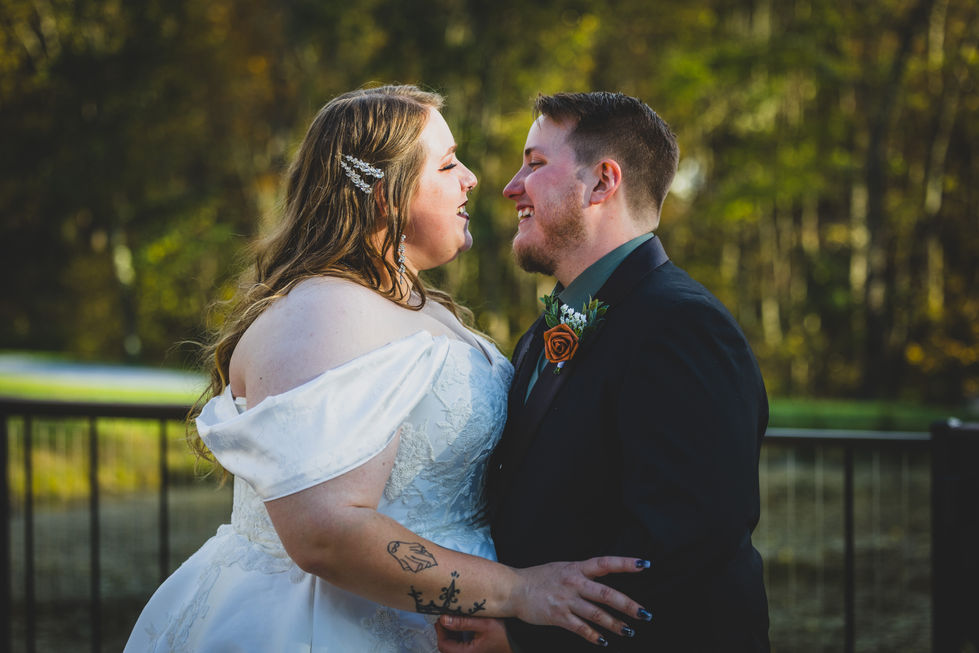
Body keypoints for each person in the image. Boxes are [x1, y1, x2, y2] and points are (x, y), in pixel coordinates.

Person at [123, 85, 652, 653]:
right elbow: (325, 532)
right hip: (326, 627)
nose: (472, 179)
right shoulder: (325, 311)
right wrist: (518, 592)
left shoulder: (416, 306)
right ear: (384, 193)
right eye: (448, 164)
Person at [437, 92, 770, 652]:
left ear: (601, 183)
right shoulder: (549, 327)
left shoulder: (683, 326)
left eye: (535, 163)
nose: (510, 185)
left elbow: (683, 543)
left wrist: (521, 637)